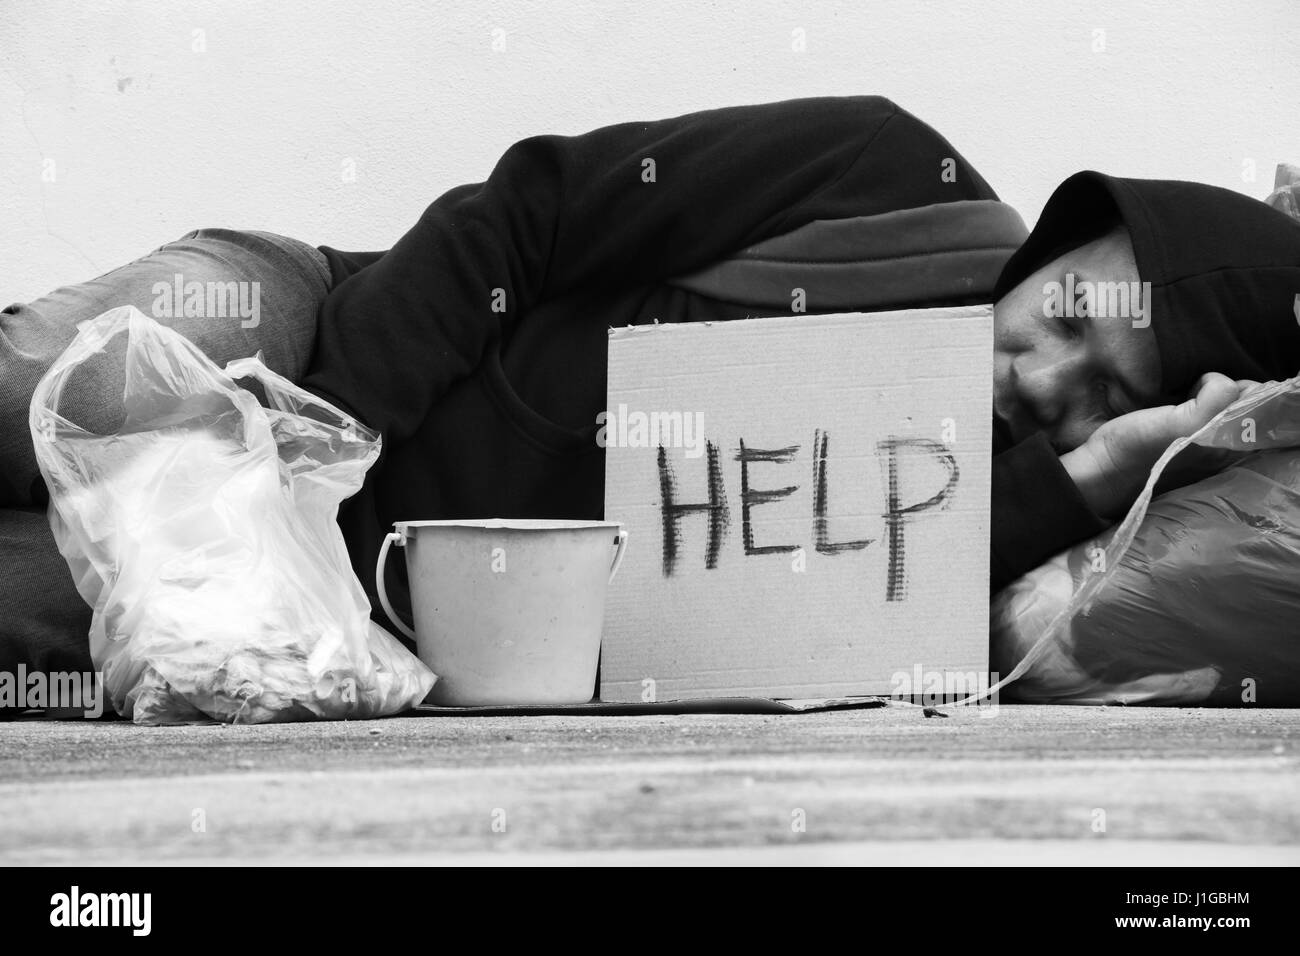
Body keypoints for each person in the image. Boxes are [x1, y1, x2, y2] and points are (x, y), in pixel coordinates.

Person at [3, 95, 1299, 702]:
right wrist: (301, 453)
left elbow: (827, 631)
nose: (1043, 378)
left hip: (315, 627)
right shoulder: (888, 178)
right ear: (1062, 243)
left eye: (1100, 400)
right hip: (309, 343)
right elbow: (516, 216)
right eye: (1067, 317)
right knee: (57, 390)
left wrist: (1089, 476)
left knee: (23, 606)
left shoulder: (948, 508)